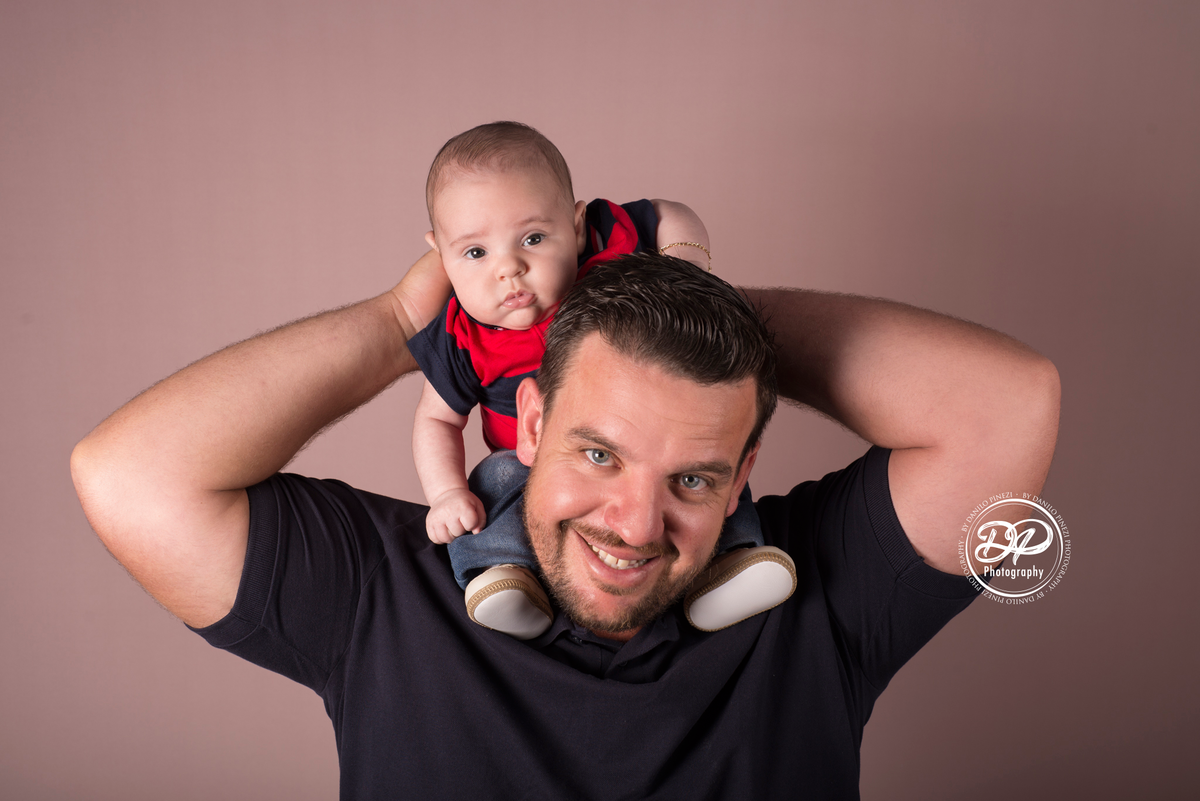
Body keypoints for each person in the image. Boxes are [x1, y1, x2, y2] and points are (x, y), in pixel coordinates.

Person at [71, 249, 1060, 798]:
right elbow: (128, 476)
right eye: (599, 454)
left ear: (745, 473)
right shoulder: (385, 587)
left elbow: (1010, 407)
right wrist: (405, 328)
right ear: (532, 423)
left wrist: (689, 299)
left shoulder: (814, 592)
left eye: (695, 478)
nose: (636, 524)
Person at [409, 122, 794, 638]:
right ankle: (503, 575)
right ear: (440, 255)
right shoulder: (462, 336)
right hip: (526, 464)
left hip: (659, 435)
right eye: (475, 253)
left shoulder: (605, 261)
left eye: (533, 238)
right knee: (492, 481)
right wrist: (445, 492)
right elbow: (436, 418)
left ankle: (732, 566)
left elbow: (671, 214)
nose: (511, 269)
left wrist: (687, 277)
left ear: (574, 225)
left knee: (697, 458)